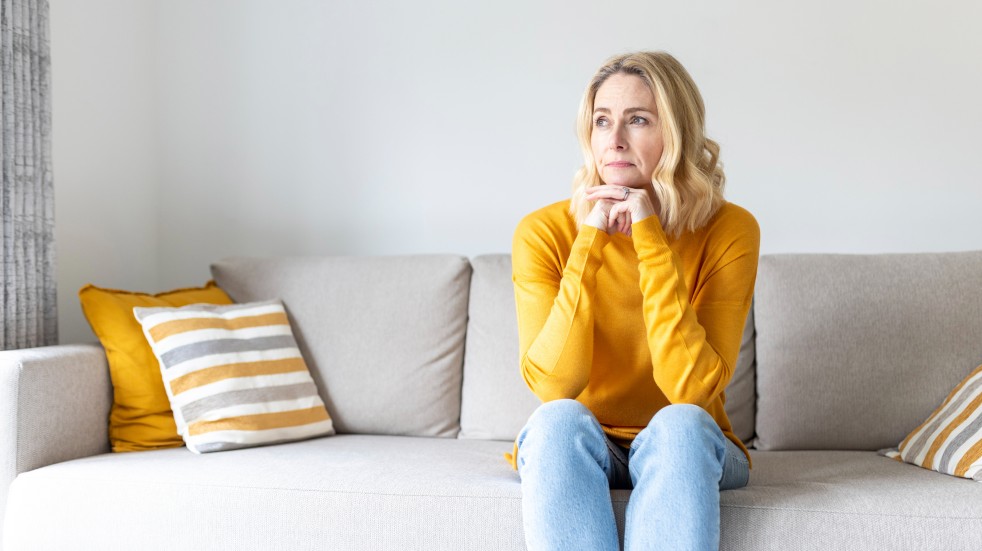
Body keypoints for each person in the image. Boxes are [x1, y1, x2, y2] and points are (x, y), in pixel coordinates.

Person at [507, 51, 760, 550]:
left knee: (682, 425)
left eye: (637, 120)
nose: (615, 140)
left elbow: (690, 389)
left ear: (677, 132)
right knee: (557, 421)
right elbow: (556, 384)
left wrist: (649, 237)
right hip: (583, 444)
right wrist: (591, 240)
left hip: (688, 444)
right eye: (602, 122)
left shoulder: (730, 230)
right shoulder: (543, 233)